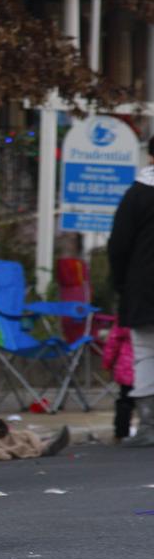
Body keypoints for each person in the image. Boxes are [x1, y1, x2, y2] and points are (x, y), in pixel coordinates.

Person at [108, 139, 154, 447]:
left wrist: (122, 284)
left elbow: (119, 244)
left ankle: (149, 423)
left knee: (146, 354)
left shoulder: (137, 194)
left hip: (144, 288)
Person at [102, 324, 135, 443]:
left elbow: (112, 342)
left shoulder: (125, 318)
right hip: (145, 368)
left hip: (127, 367)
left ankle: (121, 433)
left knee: (125, 402)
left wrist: (107, 362)